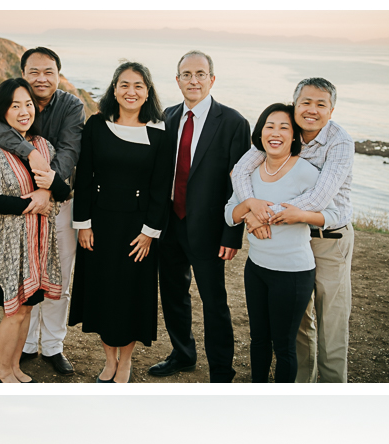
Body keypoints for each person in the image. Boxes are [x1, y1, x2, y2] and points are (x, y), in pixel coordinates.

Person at [231, 78, 354, 383]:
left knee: (331, 325)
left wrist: (260, 216)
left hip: (329, 239)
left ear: (332, 109)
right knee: (300, 327)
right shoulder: (285, 129)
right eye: (305, 103)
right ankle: (302, 389)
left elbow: (317, 199)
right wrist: (250, 206)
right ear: (295, 104)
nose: (312, 110)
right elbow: (241, 170)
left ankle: (332, 394)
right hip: (293, 240)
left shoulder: (340, 141)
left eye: (320, 104)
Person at [0, 47, 85, 376]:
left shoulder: (71, 105)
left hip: (57, 200)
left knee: (57, 275)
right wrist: (29, 152)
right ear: (23, 73)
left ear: (58, 73)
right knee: (27, 276)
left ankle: (53, 345)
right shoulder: (14, 98)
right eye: (34, 71)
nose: (42, 78)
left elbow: (69, 151)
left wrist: (45, 186)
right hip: (22, 212)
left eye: (48, 71)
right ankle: (24, 346)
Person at [148, 50, 250, 383]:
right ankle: (183, 354)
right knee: (173, 296)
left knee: (214, 302)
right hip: (170, 225)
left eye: (200, 74)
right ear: (177, 80)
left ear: (212, 79)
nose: (194, 80)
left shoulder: (234, 122)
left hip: (209, 229)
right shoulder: (169, 116)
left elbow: (240, 183)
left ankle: (222, 370)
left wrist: (231, 234)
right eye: (187, 75)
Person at [69, 61, 172, 383]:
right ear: (114, 89)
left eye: (138, 86)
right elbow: (84, 177)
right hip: (99, 225)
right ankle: (108, 360)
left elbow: (160, 187)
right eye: (124, 84)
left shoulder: (159, 132)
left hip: (137, 229)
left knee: (130, 296)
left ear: (147, 92)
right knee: (102, 292)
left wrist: (149, 233)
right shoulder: (97, 126)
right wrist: (83, 224)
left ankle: (125, 362)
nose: (131, 91)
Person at [0, 79, 70, 384]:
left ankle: (15, 368)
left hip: (37, 247)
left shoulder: (42, 147)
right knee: (13, 314)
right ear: (2, 111)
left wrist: (48, 194)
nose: (24, 111)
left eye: (28, 104)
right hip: (6, 248)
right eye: (15, 106)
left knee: (26, 311)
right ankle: (3, 371)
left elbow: (63, 190)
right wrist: (35, 201)